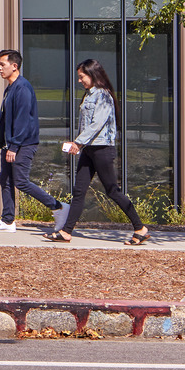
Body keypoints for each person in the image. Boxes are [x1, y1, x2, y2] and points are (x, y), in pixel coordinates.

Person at [50, 59, 150, 244]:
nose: (79, 81)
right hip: (90, 150)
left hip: (102, 149)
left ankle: (140, 228)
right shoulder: (88, 95)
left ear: (92, 74)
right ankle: (66, 232)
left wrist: (78, 143)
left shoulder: (103, 95)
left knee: (112, 191)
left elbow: (97, 123)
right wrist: (81, 145)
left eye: (82, 77)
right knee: (79, 191)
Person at [0, 50, 62, 231]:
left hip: (23, 144)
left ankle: (59, 207)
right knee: (5, 179)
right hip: (11, 143)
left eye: (3, 64)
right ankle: (8, 221)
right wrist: (4, 142)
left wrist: (14, 146)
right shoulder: (11, 87)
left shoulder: (22, 88)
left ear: (14, 66)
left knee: (21, 181)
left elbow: (22, 119)